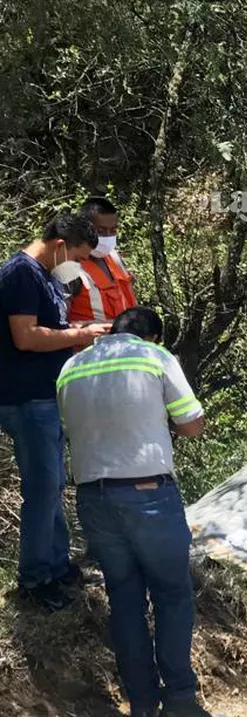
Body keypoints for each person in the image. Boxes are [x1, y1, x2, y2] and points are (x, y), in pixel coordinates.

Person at [56, 306, 209, 717]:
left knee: (124, 598)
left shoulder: (70, 367)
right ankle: (179, 700)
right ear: (151, 336)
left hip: (93, 498)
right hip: (148, 495)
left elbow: (72, 430)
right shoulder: (154, 357)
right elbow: (192, 422)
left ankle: (142, 703)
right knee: (172, 595)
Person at [0, 213, 108, 611]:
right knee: (42, 490)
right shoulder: (21, 275)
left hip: (45, 397)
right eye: (77, 256)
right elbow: (25, 336)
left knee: (54, 483)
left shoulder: (44, 276)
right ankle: (33, 580)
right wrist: (79, 336)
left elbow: (50, 327)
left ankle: (57, 564)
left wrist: (82, 330)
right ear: (60, 244)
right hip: (25, 400)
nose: (77, 266)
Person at [67, 197, 137, 324]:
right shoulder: (68, 267)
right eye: (100, 231)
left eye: (113, 230)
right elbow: (59, 326)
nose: (108, 236)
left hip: (127, 339)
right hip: (89, 343)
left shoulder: (114, 256)